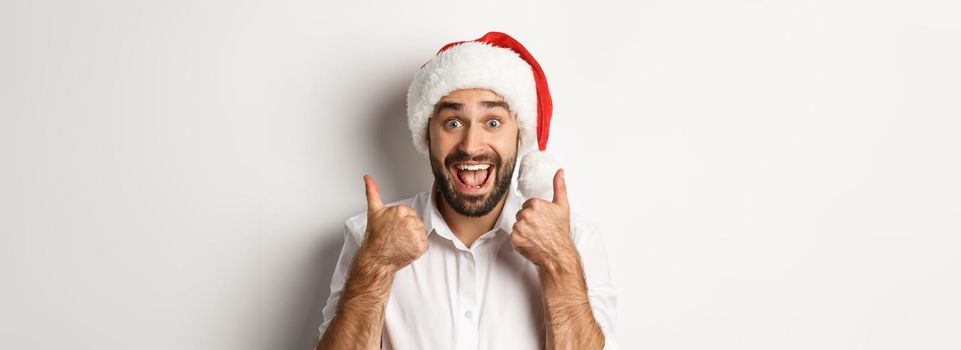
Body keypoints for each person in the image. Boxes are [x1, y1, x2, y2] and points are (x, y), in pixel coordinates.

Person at [315, 32, 618, 350]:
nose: (471, 146)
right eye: (453, 123)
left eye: (493, 122)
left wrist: (558, 263)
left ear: (520, 136)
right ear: (427, 135)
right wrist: (375, 266)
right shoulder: (369, 236)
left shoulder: (576, 239)